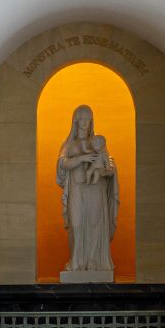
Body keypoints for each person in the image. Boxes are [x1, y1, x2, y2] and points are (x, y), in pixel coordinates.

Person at [56, 105, 119, 272]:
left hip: (95, 189)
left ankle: (93, 261)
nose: (85, 123)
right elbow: (62, 163)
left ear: (92, 121)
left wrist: (106, 170)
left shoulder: (97, 142)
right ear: (76, 121)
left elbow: (108, 162)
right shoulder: (69, 144)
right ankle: (76, 261)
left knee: (94, 223)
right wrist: (82, 158)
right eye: (81, 119)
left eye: (88, 119)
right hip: (77, 188)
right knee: (76, 223)